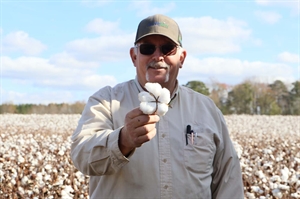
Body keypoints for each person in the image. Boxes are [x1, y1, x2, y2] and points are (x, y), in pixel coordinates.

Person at [70, 14, 244, 199]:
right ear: (134, 56)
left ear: (182, 58)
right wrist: (122, 140)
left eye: (168, 48)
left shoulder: (206, 110)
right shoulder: (106, 101)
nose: (158, 56)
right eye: (147, 48)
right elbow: (81, 156)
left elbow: (228, 181)